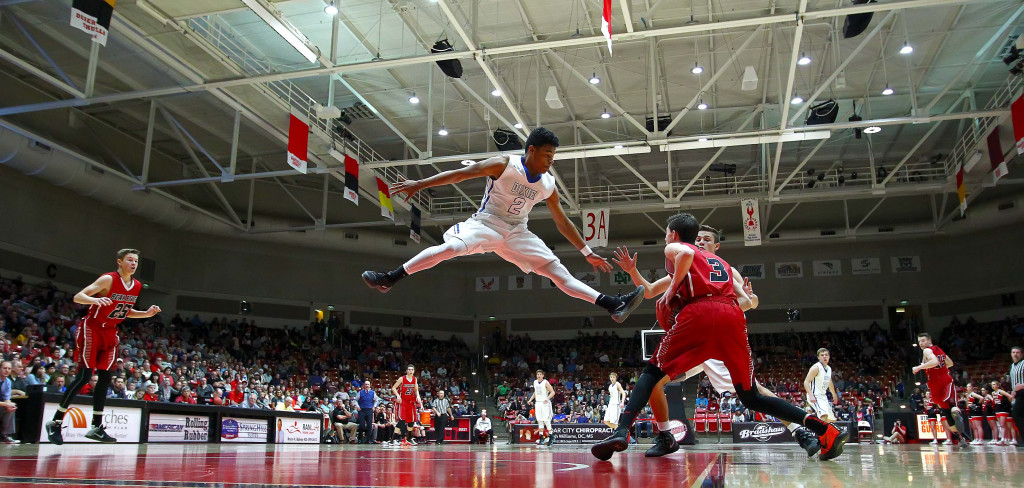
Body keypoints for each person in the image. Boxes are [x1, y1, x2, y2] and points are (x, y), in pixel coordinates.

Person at [592, 213, 846, 462]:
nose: (700, 242)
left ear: (677, 235)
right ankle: (823, 429)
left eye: (706, 239)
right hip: (730, 320)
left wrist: (671, 295)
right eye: (699, 237)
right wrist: (636, 272)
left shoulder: (680, 250)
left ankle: (622, 429)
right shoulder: (723, 266)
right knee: (750, 396)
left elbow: (691, 258)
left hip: (700, 318)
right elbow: (652, 290)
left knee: (651, 374)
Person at [361, 128, 644, 323]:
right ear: (531, 150)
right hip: (486, 223)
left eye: (553, 156)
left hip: (517, 232)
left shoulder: (548, 184)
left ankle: (611, 304)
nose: (550, 160)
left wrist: (586, 251)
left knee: (558, 272)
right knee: (450, 249)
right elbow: (460, 175)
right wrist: (420, 184)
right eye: (547, 154)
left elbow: (561, 220)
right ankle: (391, 277)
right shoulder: (504, 164)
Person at [46, 249, 161, 444]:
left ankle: (96, 427)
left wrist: (146, 314)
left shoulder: (137, 285)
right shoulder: (108, 279)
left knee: (106, 376)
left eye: (136, 261)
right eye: (130, 260)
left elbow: (125, 311)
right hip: (92, 328)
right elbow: (78, 297)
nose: (134, 264)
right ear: (119, 262)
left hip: (111, 331)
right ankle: (55, 422)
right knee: (84, 376)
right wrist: (95, 299)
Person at [912, 333, 970, 446]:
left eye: (923, 341)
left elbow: (935, 362)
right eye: (919, 342)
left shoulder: (927, 351)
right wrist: (940, 369)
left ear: (929, 341)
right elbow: (950, 363)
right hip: (945, 377)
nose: (921, 344)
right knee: (950, 408)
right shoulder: (939, 349)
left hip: (935, 382)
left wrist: (919, 367)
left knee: (945, 408)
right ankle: (960, 435)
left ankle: (959, 437)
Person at [804, 348, 839, 422]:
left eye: (826, 355)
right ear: (818, 357)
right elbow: (806, 382)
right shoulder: (816, 368)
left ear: (829, 356)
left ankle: (825, 433)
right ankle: (820, 433)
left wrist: (834, 394)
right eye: (822, 355)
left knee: (831, 420)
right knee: (824, 415)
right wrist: (811, 395)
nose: (824, 357)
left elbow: (829, 381)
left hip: (823, 396)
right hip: (815, 395)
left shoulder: (829, 368)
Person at [391, 364, 422, 446]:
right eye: (409, 369)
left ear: (414, 371)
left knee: (411, 420)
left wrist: (418, 396)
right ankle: (393, 439)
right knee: (402, 420)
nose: (411, 371)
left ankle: (409, 438)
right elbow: (393, 388)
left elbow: (416, 390)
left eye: (412, 369)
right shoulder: (402, 378)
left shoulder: (414, 379)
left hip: (410, 401)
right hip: (402, 401)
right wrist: (398, 396)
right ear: (406, 371)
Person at [528, 369, 555, 446]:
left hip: (545, 403)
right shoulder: (535, 382)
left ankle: (551, 436)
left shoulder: (545, 382)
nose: (539, 376)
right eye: (538, 374)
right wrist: (530, 400)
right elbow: (535, 393)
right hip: (538, 403)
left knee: (546, 421)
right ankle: (541, 438)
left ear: (543, 375)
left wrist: (547, 398)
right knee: (539, 421)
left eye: (540, 374)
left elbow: (553, 392)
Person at [990, 380, 1014, 445]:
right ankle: (1006, 438)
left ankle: (1003, 439)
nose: (993, 386)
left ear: (998, 385)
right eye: (992, 385)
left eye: (994, 384)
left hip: (1003, 410)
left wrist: (1007, 404)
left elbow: (1010, 396)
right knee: (1002, 425)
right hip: (997, 410)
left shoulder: (1001, 391)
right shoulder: (993, 393)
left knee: (1003, 425)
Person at [0, 361, 18, 444]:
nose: (7, 370)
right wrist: (6, 404)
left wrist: (9, 405)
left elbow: (6, 398)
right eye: (4, 368)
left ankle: (5, 435)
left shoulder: (8, 382)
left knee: (10, 410)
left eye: (9, 368)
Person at [1011, 346, 1024, 448]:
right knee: (1018, 415)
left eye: (1017, 352)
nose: (1015, 354)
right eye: (1013, 352)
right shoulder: (1013, 366)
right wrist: (1013, 391)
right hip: (1019, 394)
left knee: (1016, 414)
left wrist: (1022, 386)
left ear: (1022, 354)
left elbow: (1020, 384)